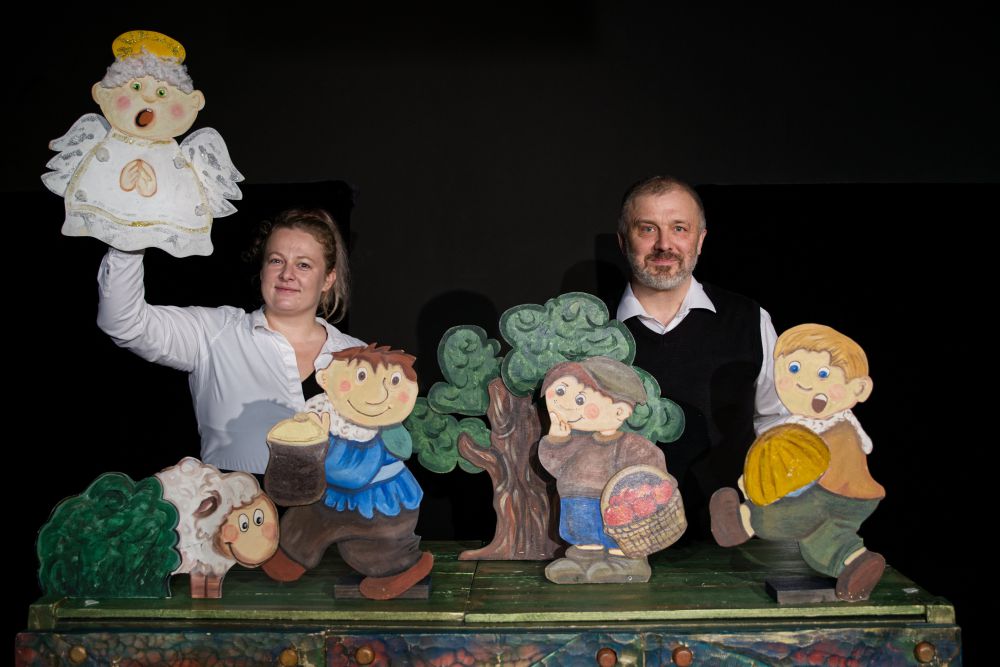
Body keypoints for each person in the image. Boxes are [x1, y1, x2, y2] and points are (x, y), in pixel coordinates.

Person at [97, 208, 364, 474]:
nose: (287, 274)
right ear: (262, 270)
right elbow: (124, 321)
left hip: (333, 502)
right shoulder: (215, 333)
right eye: (276, 260)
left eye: (303, 265)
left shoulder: (359, 357)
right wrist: (130, 233)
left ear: (328, 279)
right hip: (233, 499)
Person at [614, 175, 786, 530]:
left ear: (700, 240)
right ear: (622, 241)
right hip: (618, 539)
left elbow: (778, 423)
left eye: (679, 228)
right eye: (647, 229)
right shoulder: (591, 330)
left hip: (734, 537)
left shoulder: (748, 319)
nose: (664, 245)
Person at [710, 323, 885, 601]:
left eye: (823, 374)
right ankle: (856, 564)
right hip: (839, 496)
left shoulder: (837, 431)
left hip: (838, 495)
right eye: (793, 369)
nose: (805, 382)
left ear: (859, 389)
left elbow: (799, 477)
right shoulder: (799, 426)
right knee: (820, 541)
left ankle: (742, 522)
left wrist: (759, 491)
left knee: (773, 516)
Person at [261, 343, 434, 600]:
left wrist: (323, 445)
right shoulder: (326, 415)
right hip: (332, 497)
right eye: (361, 376)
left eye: (394, 381)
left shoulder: (374, 436)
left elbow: (353, 475)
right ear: (325, 379)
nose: (377, 393)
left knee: (372, 546)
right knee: (306, 517)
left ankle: (399, 570)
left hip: (377, 505)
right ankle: (290, 555)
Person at [538, 357, 678, 584]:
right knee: (583, 535)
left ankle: (625, 563)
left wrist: (651, 492)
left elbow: (651, 471)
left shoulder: (631, 445)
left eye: (581, 399)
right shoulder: (577, 442)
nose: (564, 404)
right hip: (576, 503)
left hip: (615, 509)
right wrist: (557, 440)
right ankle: (583, 560)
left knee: (615, 537)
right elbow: (556, 466)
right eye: (561, 391)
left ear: (619, 411)